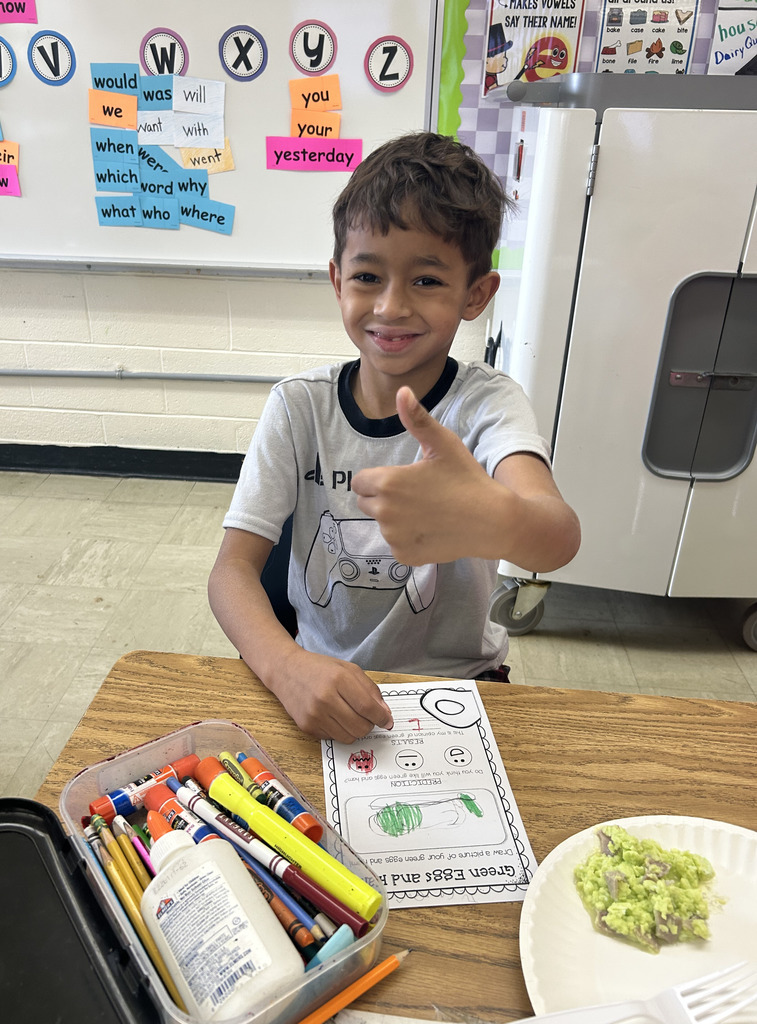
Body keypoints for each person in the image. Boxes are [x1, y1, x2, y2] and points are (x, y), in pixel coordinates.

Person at [208, 132, 580, 744]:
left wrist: (497, 519)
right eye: (367, 275)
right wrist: (285, 666)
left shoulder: (488, 404)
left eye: (427, 280)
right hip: (319, 682)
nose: (390, 306)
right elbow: (231, 572)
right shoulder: (298, 407)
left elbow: (557, 534)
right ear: (338, 280)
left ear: (476, 294)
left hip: (461, 686)